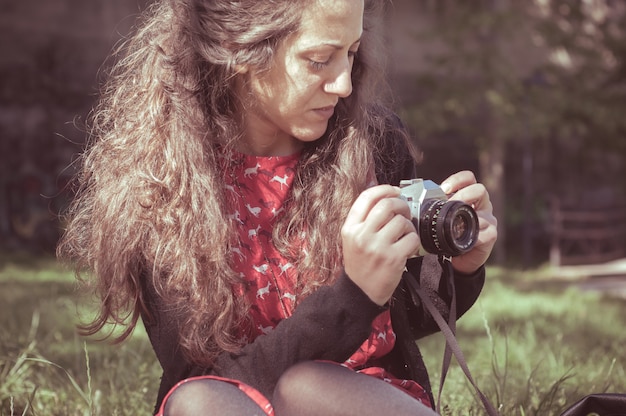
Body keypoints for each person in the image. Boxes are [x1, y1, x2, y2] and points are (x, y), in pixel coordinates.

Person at [57, 0, 498, 415]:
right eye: (319, 60)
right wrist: (355, 295)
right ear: (240, 49)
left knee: (310, 388)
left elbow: (399, 320)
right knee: (198, 401)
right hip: (233, 403)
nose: (344, 83)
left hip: (358, 401)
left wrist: (462, 268)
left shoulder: (369, 145)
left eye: (353, 52)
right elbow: (202, 378)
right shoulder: (162, 183)